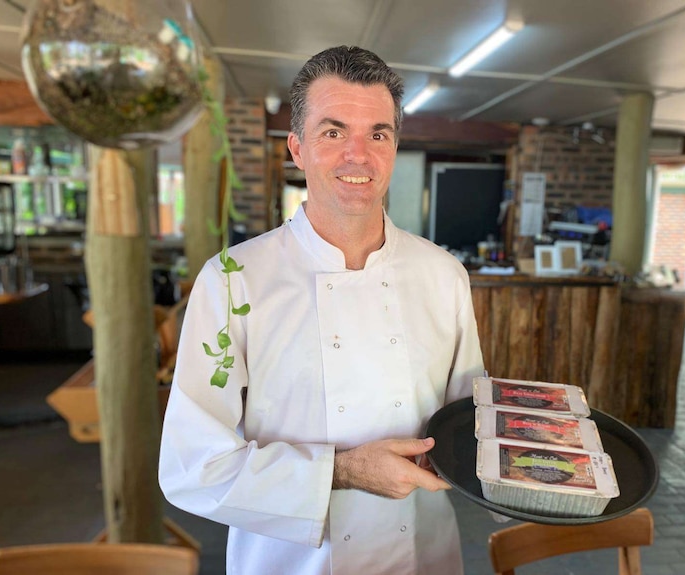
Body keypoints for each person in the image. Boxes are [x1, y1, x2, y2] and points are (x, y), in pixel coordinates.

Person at [159, 45, 484, 575]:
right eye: (334, 132)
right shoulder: (233, 281)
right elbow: (193, 468)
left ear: (394, 147)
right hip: (289, 563)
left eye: (378, 134)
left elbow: (466, 423)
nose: (359, 155)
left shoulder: (442, 274)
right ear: (297, 148)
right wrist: (346, 471)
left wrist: (538, 444)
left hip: (425, 557)